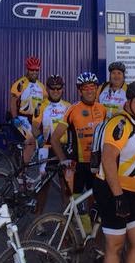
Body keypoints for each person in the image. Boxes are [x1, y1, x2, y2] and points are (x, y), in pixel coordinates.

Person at [94, 81, 135, 263]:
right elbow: (108, 158)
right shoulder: (121, 123)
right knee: (116, 245)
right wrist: (118, 195)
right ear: (129, 101)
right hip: (112, 190)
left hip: (130, 193)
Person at [51, 71, 107, 199]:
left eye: (92, 87)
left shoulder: (102, 109)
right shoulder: (72, 110)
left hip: (96, 163)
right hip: (77, 164)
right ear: (80, 91)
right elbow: (54, 139)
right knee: (73, 200)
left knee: (94, 198)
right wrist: (63, 160)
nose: (89, 91)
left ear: (96, 89)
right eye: (85, 88)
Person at [32, 75, 71, 212]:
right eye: (52, 88)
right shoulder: (41, 105)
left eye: (58, 88)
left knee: (66, 186)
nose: (55, 91)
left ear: (62, 89)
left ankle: (67, 218)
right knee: (44, 186)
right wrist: (39, 137)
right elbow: (35, 126)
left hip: (63, 149)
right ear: (47, 89)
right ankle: (38, 218)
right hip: (47, 149)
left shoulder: (68, 106)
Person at [9, 55, 47, 169]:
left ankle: (40, 171)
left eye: (36, 70)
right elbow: (13, 101)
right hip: (21, 118)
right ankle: (21, 172)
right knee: (31, 141)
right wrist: (14, 117)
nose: (34, 72)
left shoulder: (41, 86)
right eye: (31, 69)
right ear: (27, 69)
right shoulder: (21, 83)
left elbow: (45, 104)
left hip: (34, 120)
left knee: (43, 141)